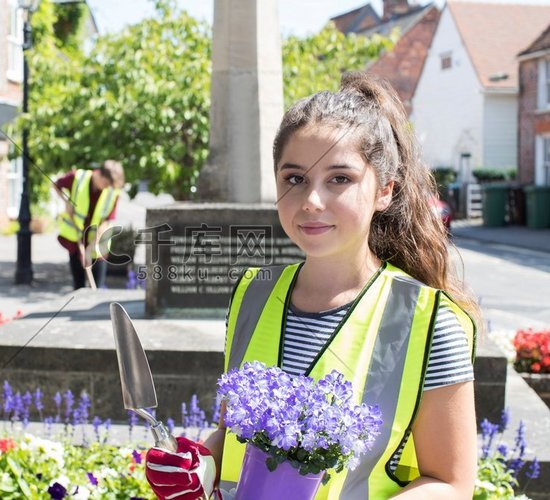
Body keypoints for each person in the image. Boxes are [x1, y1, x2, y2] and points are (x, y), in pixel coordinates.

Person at [145, 73, 480, 499]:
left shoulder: (432, 322)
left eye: (339, 178)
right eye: (294, 178)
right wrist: (197, 465)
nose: (311, 201)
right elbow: (234, 437)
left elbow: (451, 483)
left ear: (385, 191)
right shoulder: (253, 293)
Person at [53, 160, 125, 289]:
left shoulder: (112, 191)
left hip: (97, 244)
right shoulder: (78, 178)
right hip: (76, 239)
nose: (108, 187)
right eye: (106, 183)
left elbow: (106, 221)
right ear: (99, 174)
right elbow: (56, 184)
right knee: (79, 287)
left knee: (97, 287)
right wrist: (66, 202)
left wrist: (89, 249)